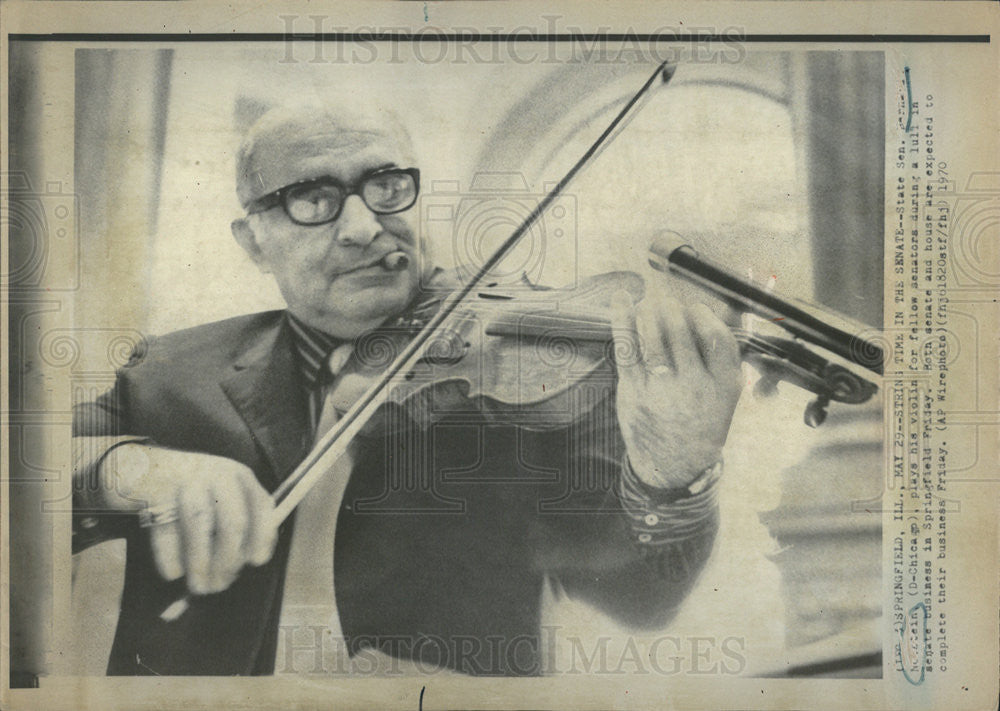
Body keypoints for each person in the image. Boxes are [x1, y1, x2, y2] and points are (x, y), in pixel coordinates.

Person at [71, 101, 743, 676]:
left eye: (388, 186)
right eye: (313, 199)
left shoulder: (536, 376)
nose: (366, 227)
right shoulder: (171, 372)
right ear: (253, 241)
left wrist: (671, 472)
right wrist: (129, 468)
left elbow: (642, 599)